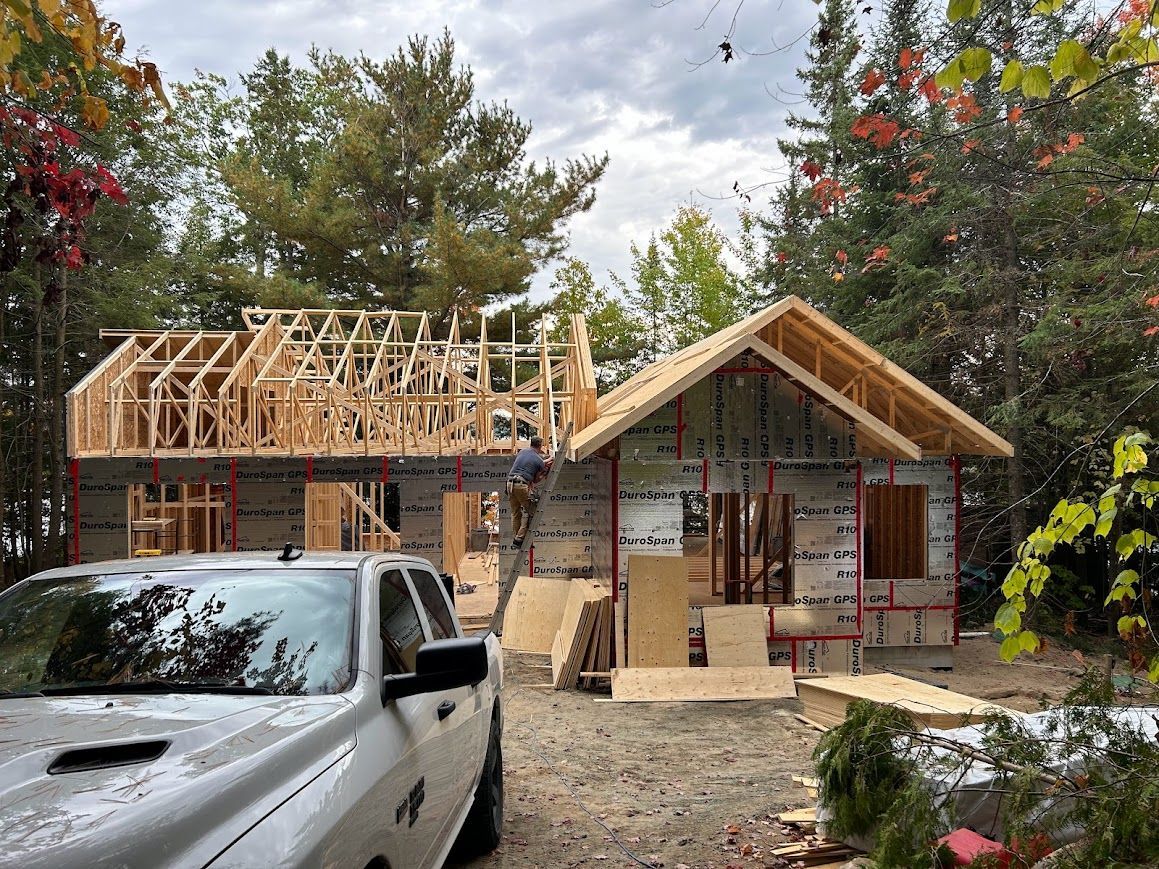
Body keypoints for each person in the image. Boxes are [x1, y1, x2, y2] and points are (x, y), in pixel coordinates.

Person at [507, 435, 552, 546]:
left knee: (516, 513)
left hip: (510, 484)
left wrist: (544, 462)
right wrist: (545, 471)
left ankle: (516, 538)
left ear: (531, 443)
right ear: (540, 446)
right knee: (530, 512)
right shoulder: (539, 461)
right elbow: (536, 480)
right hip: (521, 485)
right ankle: (519, 538)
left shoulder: (522, 452)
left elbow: (530, 463)